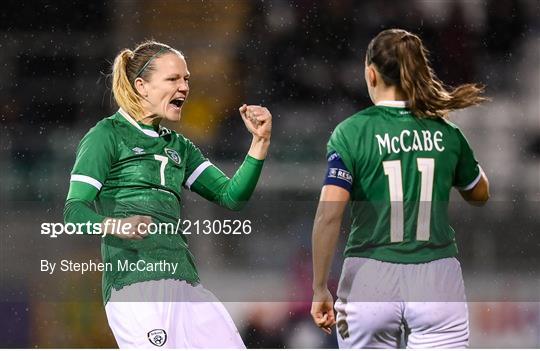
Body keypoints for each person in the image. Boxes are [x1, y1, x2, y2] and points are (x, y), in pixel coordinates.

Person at [63, 41, 271, 348]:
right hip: (135, 288)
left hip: (186, 285)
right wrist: (115, 225)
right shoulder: (106, 136)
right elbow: (73, 212)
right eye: (173, 79)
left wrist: (260, 143)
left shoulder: (179, 147)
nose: (184, 87)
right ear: (142, 86)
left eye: (186, 79)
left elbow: (231, 196)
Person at [310, 28, 490, 348]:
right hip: (437, 278)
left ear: (371, 73)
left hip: (369, 275)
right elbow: (480, 193)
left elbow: (328, 216)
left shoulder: (352, 132)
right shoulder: (447, 132)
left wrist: (320, 288)